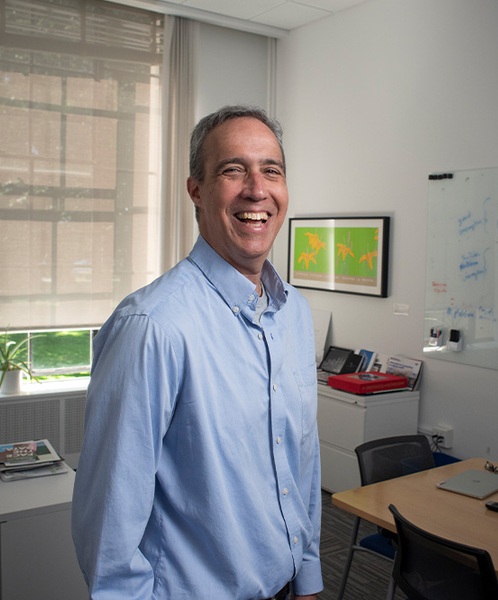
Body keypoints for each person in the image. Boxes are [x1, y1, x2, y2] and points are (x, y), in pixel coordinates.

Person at [72, 105, 322, 600]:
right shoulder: (153, 326)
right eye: (233, 169)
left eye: (271, 170)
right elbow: (109, 526)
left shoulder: (295, 313)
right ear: (196, 190)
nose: (257, 188)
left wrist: (308, 574)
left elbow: (301, 464)